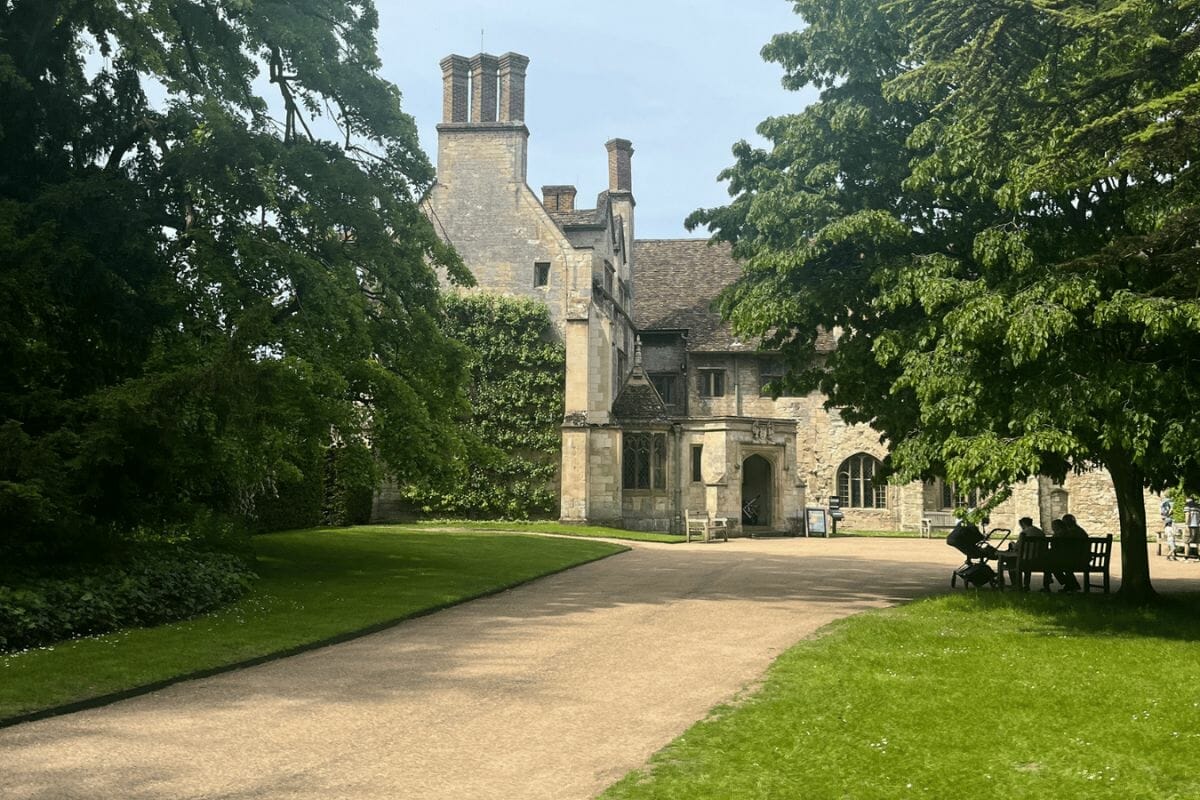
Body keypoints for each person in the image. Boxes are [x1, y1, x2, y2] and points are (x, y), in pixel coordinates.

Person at [1050, 517, 1084, 592]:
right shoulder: (1079, 531)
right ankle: (1071, 584)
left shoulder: (1068, 533)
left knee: (1052, 565)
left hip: (1074, 559)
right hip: (1081, 557)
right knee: (1061, 564)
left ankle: (1069, 584)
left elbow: (1056, 546)